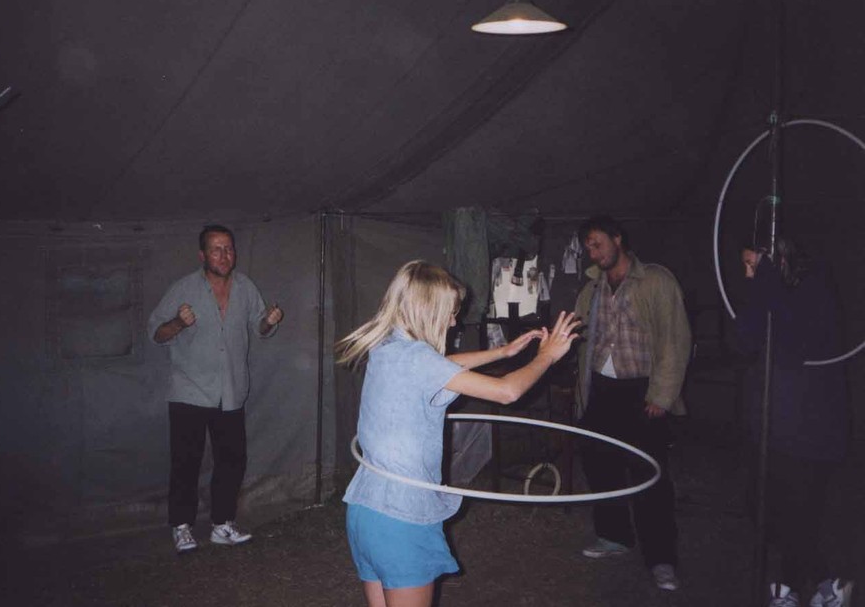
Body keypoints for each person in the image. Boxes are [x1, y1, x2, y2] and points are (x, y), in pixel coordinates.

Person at [336, 260, 580, 607]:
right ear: (428, 310)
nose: (454, 322)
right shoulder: (419, 360)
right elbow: (507, 392)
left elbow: (442, 366)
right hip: (402, 517)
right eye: (451, 313)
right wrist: (548, 356)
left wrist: (502, 351)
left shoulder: (387, 347)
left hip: (365, 511)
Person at [148, 224, 284, 554]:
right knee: (186, 463)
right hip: (190, 391)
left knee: (232, 461)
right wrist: (178, 323)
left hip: (231, 391)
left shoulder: (246, 287)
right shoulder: (183, 288)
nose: (224, 255)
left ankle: (222, 524)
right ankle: (181, 527)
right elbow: (156, 334)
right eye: (216, 249)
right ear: (202, 255)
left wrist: (269, 321)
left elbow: (260, 328)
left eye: (229, 249)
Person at [573, 215, 691, 592]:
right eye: (588, 248)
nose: (594, 253)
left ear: (618, 239)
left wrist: (661, 395)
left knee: (649, 475)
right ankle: (614, 536)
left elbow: (675, 340)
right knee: (600, 465)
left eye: (598, 244)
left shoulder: (655, 280)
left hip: (642, 392)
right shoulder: (592, 288)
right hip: (601, 389)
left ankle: (661, 558)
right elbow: (579, 333)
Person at [736, 238, 854, 607]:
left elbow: (795, 343)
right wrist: (759, 288)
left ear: (779, 260)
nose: (748, 274)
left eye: (753, 265)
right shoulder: (768, 291)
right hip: (774, 424)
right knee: (765, 507)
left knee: (796, 512)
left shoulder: (814, 290)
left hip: (812, 428)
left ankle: (797, 588)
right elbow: (746, 340)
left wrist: (766, 281)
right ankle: (823, 585)